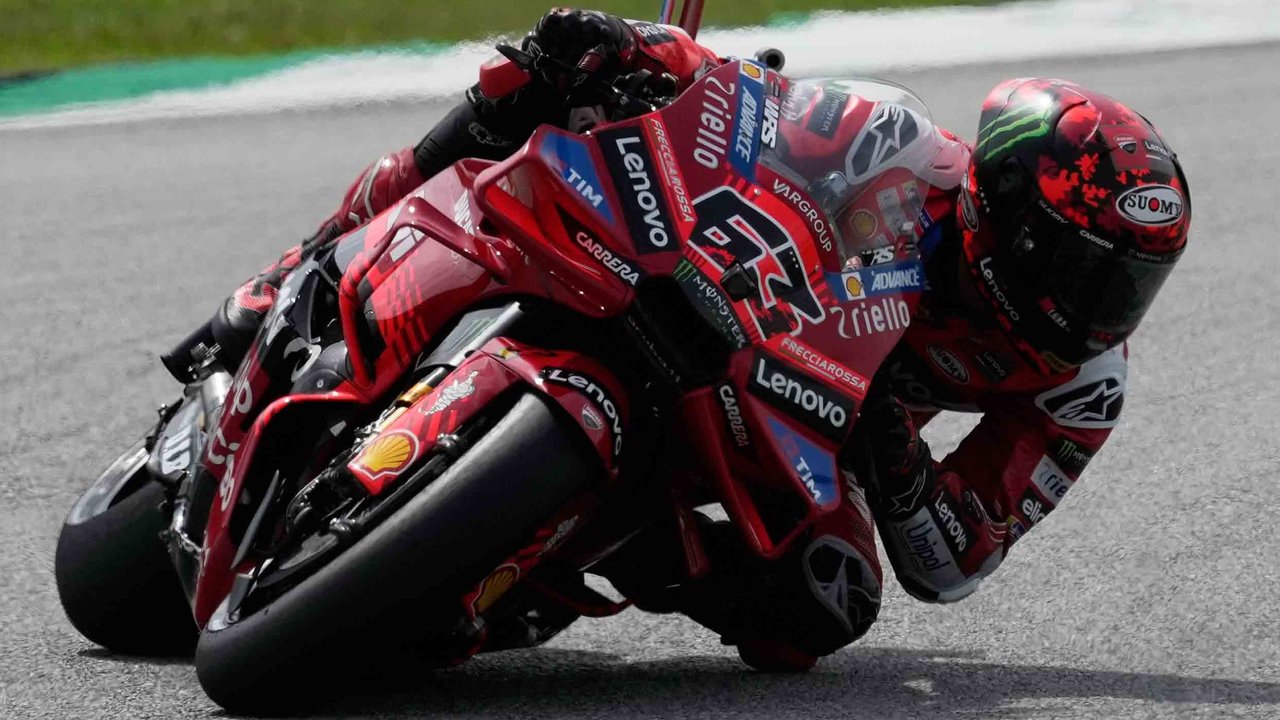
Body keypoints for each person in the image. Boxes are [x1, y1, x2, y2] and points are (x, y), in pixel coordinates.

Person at [193, 8, 1192, 670]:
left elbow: (955, 561)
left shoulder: (1080, 386)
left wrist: (896, 468)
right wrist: (632, 52)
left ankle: (622, 543)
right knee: (527, 87)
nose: (1099, 306)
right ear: (1006, 211)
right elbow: (735, 95)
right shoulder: (900, 143)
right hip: (723, 293)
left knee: (828, 601)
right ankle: (296, 268)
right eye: (1083, 268)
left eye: (1129, 281)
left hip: (819, 422)